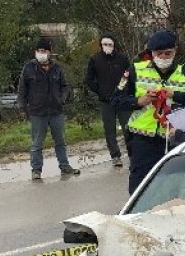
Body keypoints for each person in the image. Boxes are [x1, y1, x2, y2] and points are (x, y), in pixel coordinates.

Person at [115, 29, 185, 194]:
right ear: (152, 53)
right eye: (158, 53)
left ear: (175, 51)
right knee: (140, 185)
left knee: (172, 185)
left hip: (174, 138)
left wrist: (176, 96)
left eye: (167, 53)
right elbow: (117, 99)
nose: (163, 58)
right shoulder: (135, 70)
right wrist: (139, 101)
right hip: (142, 138)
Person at [17, 38, 79, 182]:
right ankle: (36, 170)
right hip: (37, 112)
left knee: (60, 141)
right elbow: (22, 90)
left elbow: (65, 86)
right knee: (37, 143)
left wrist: (62, 99)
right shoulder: (29, 68)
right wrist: (22, 107)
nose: (40, 53)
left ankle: (65, 167)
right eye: (38, 51)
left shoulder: (57, 68)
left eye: (43, 51)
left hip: (56, 111)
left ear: (49, 53)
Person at [84, 32, 132, 167]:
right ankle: (115, 155)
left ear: (114, 45)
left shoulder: (122, 59)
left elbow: (128, 75)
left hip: (122, 99)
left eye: (110, 44)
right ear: (101, 45)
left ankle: (132, 153)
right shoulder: (95, 59)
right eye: (104, 44)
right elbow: (89, 79)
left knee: (127, 127)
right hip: (106, 101)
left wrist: (123, 90)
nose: (107, 47)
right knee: (109, 129)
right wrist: (100, 91)